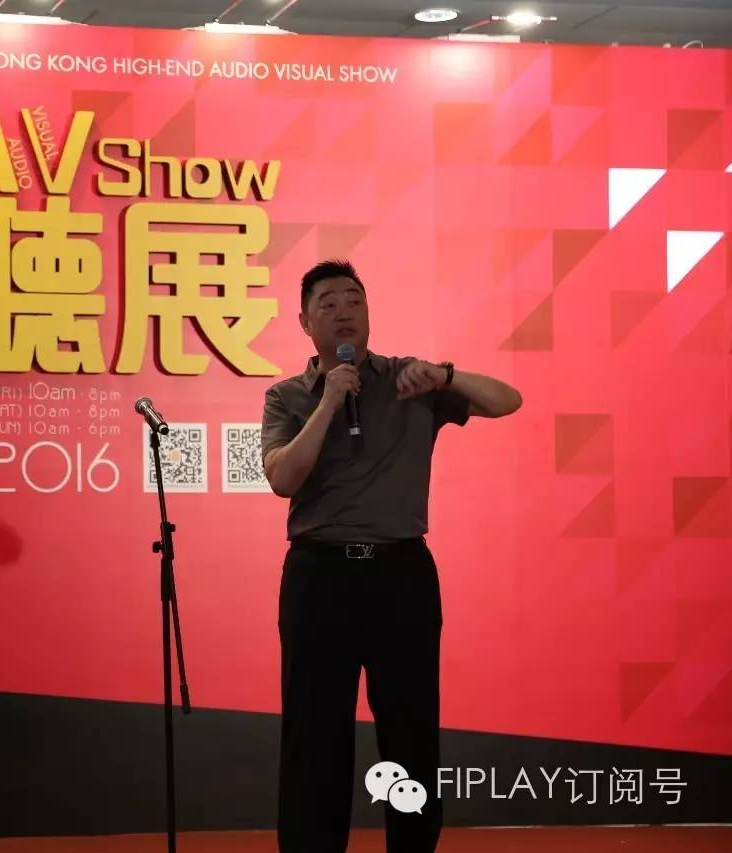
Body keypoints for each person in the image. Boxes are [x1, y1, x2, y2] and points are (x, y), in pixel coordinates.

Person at [261, 260, 522, 853]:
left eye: (354, 299)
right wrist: (328, 402)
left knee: (410, 730)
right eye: (328, 303)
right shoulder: (286, 396)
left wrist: (447, 374)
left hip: (400, 575)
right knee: (314, 732)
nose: (344, 311)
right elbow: (282, 478)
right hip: (319, 577)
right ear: (304, 322)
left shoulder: (411, 379)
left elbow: (508, 401)